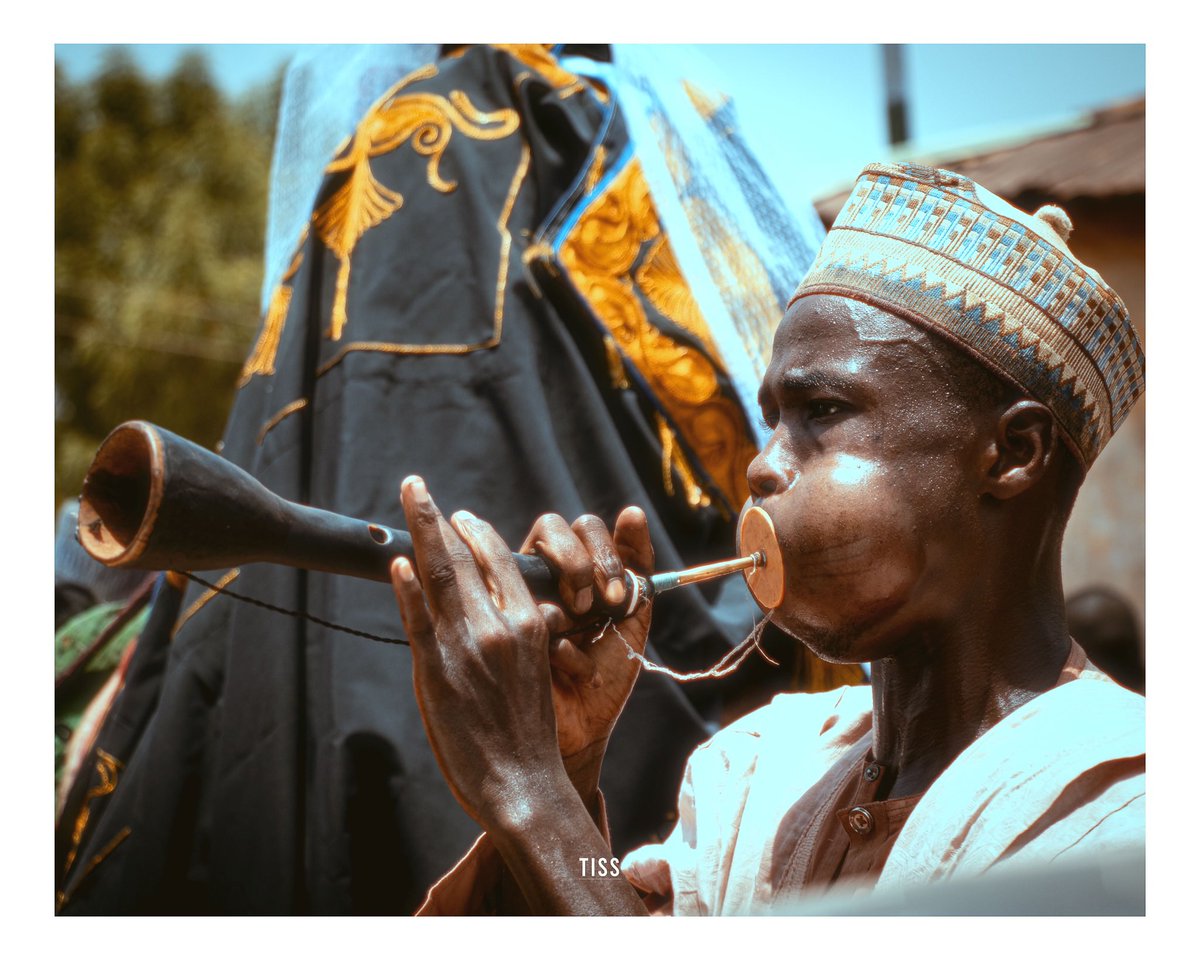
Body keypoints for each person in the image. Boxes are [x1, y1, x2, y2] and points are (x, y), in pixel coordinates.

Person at [55, 45, 849, 914]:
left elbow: (598, 884)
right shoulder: (639, 134)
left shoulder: (784, 784)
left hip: (438, 707)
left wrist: (544, 786)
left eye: (824, 419)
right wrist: (553, 783)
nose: (777, 462)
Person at [392, 161, 1147, 915]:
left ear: (1013, 454)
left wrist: (526, 793)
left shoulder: (1125, 808)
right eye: (771, 421)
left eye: (821, 410)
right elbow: (594, 892)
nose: (762, 466)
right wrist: (569, 775)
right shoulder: (757, 773)